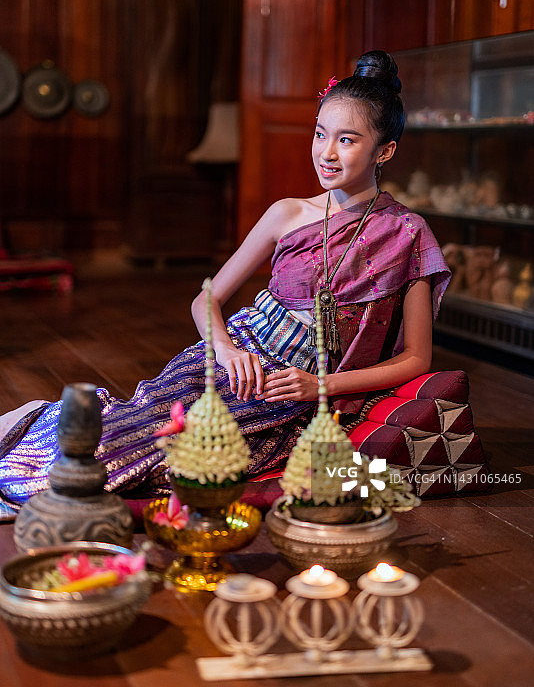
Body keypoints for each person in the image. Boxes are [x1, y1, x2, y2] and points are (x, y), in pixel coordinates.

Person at [0, 50, 450, 518]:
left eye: (347, 140)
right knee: (136, 428)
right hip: (231, 355)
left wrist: (320, 385)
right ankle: (40, 433)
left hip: (293, 390)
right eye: (319, 134)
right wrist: (229, 352)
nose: (327, 152)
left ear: (386, 150)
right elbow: (206, 299)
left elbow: (417, 357)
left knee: (177, 463)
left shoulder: (408, 233)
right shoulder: (288, 213)